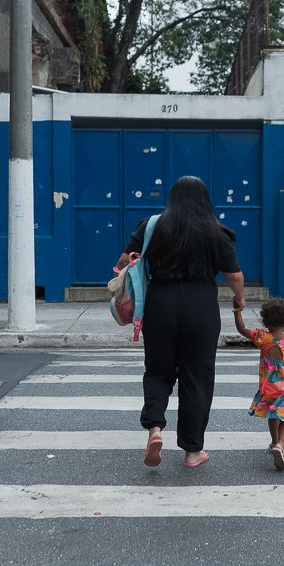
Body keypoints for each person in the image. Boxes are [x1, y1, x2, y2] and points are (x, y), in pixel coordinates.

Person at [116, 176, 245, 469]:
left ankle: (155, 429)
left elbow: (124, 261)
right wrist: (240, 299)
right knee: (196, 376)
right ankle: (192, 451)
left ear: (172, 198)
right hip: (201, 305)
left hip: (161, 302)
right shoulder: (218, 232)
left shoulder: (151, 226)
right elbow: (234, 275)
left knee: (158, 370)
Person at [233, 298, 284, 471]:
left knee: (273, 415)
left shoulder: (262, 337)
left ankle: (274, 441)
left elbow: (242, 329)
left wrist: (237, 312)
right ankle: (281, 445)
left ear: (266, 321)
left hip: (268, 388)